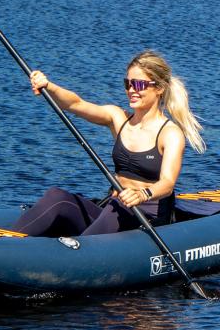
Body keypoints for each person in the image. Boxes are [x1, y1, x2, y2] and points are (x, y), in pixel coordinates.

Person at [13, 50, 206, 237]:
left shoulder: (170, 133)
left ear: (159, 88)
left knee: (118, 205)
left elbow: (167, 184)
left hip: (147, 216)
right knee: (57, 197)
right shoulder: (119, 118)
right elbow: (76, 104)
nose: (131, 90)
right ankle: (7, 242)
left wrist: (142, 194)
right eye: (127, 84)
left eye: (138, 85)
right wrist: (49, 86)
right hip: (114, 208)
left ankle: (79, 255)